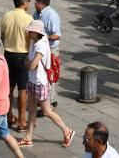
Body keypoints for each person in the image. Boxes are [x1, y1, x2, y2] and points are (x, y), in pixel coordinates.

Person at [19, 20, 74, 149]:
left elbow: (31, 64)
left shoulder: (42, 45)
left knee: (47, 111)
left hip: (41, 82)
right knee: (31, 110)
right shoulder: (34, 42)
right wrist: (29, 63)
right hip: (32, 80)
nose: (28, 32)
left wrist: (29, 63)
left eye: (30, 31)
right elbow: (28, 61)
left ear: (36, 32)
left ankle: (67, 131)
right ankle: (28, 138)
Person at [0, 0, 32, 130]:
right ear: (24, 2)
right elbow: (31, 39)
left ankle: (9, 117)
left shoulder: (6, 15)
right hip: (22, 56)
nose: (29, 3)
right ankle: (22, 121)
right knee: (23, 89)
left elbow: (3, 36)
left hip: (8, 54)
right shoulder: (28, 19)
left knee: (9, 88)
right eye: (28, 0)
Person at [33, 0, 61, 104]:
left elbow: (57, 35)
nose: (34, 2)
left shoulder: (51, 15)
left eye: (36, 0)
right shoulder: (36, 14)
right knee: (41, 74)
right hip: (40, 48)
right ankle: (45, 99)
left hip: (50, 49)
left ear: (41, 2)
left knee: (49, 74)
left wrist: (45, 38)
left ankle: (50, 101)